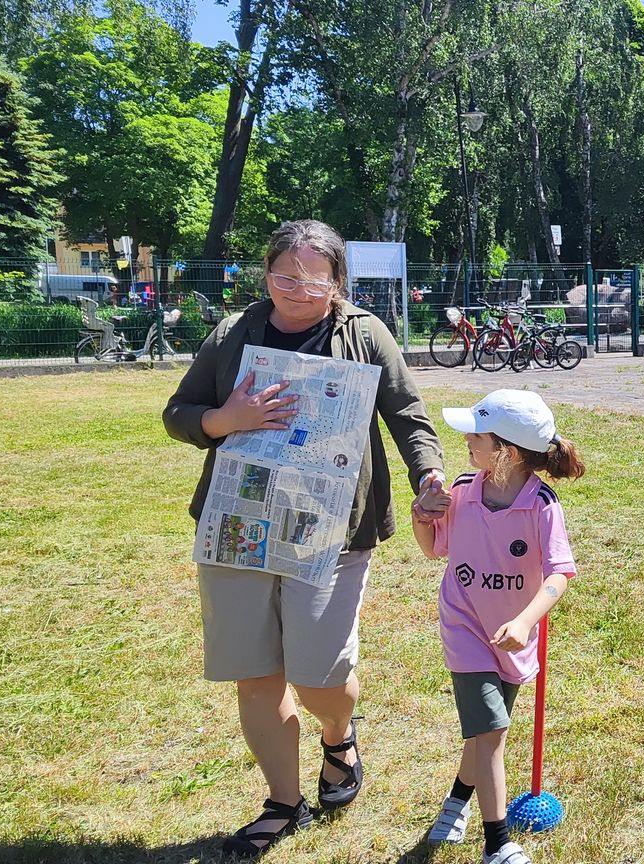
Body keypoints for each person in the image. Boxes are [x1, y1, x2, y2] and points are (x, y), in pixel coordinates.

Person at [163, 220, 447, 856]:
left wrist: (427, 473)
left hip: (332, 528)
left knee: (318, 672)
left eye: (312, 280)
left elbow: (407, 414)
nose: (295, 290)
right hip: (239, 522)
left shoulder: (364, 333)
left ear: (337, 281)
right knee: (254, 670)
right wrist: (224, 418)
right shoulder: (232, 334)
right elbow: (177, 413)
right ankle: (282, 802)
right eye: (282, 276)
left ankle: (338, 735)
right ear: (265, 273)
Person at [416, 389, 585, 864]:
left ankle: (456, 801)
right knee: (491, 731)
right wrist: (422, 514)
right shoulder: (462, 491)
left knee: (485, 731)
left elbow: (559, 574)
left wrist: (525, 621)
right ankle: (498, 843)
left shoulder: (541, 504)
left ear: (507, 452)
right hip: (465, 626)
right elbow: (432, 549)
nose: (467, 440)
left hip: (512, 638)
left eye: (477, 434)